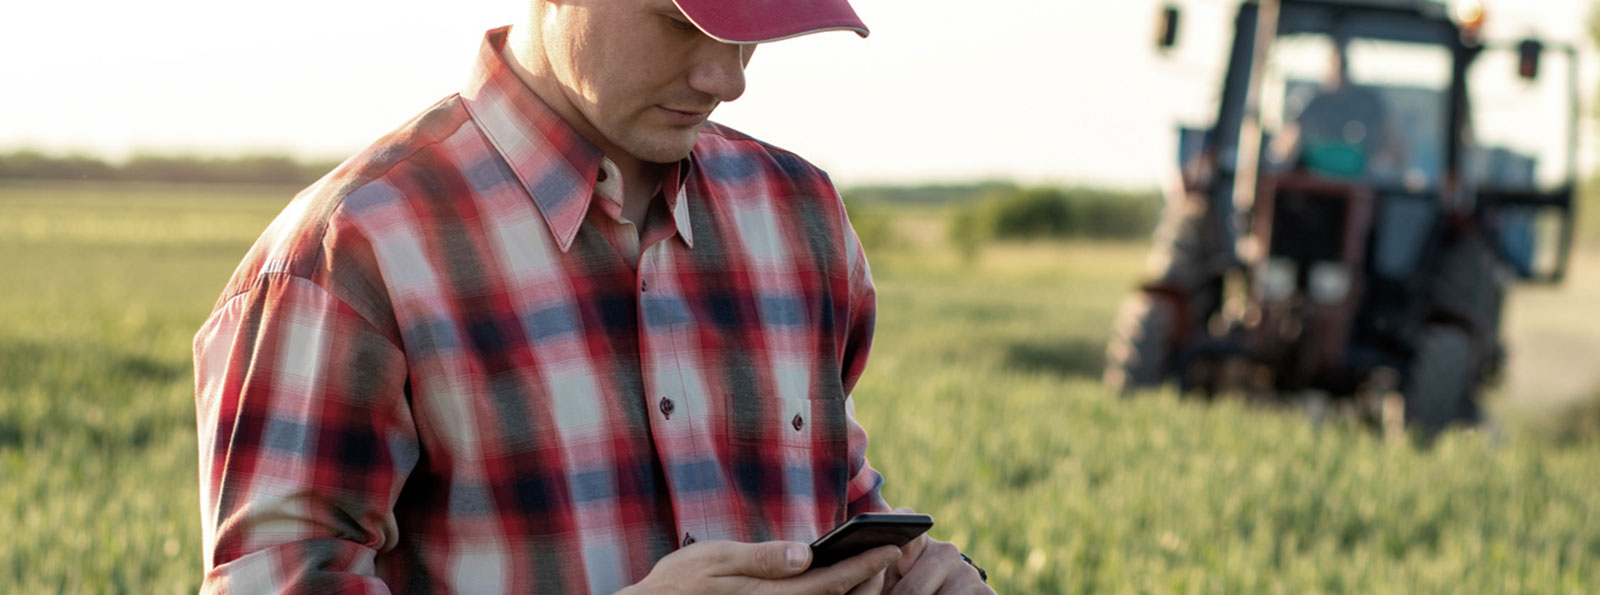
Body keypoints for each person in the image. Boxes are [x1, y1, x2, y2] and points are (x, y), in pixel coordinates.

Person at [192, 0, 993, 593]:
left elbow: (837, 504)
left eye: (753, 24)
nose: (729, 77)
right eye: (682, 22)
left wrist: (912, 577)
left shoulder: (799, 216)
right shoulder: (349, 253)